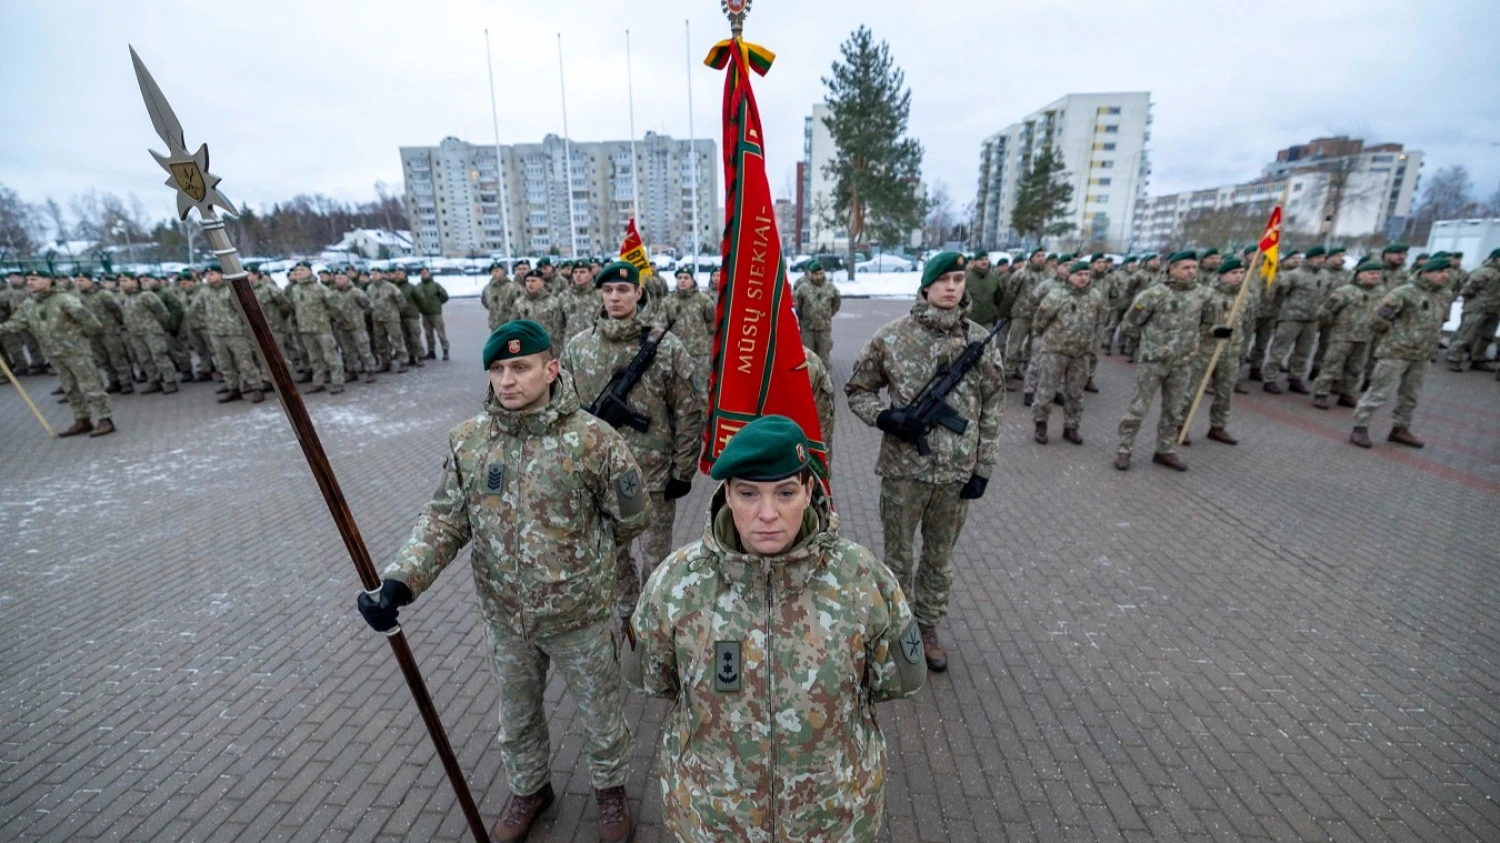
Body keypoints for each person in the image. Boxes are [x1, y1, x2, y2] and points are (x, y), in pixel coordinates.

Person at [357, 320, 647, 843]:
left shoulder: (592, 440)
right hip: (506, 618)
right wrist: (401, 581)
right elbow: (446, 520)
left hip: (579, 617)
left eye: (521, 367)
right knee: (516, 716)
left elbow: (632, 516)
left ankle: (609, 790)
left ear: (550, 369)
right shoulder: (470, 442)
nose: (508, 380)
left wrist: (586, 562)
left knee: (601, 714)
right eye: (497, 369)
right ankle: (530, 788)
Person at [623, 414, 924, 842]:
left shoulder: (863, 581)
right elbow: (651, 678)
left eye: (785, 492)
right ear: (727, 493)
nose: (768, 513)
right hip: (714, 821)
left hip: (832, 821)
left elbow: (901, 680)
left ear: (809, 490)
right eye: (748, 493)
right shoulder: (675, 585)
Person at [845, 251, 1003, 671]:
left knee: (938, 560)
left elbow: (993, 407)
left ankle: (927, 626)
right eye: (943, 279)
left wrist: (983, 467)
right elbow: (858, 389)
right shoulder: (891, 338)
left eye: (958, 279)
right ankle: (895, 629)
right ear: (926, 286)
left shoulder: (980, 341)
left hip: (956, 474)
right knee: (896, 558)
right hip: (903, 472)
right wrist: (885, 416)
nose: (952, 287)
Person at [561, 261, 703, 626]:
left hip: (653, 478)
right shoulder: (579, 348)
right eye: (607, 290)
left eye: (623, 290)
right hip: (599, 479)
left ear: (639, 293)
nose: (614, 297)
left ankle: (653, 622)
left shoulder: (666, 347)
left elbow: (688, 411)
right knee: (613, 556)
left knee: (657, 559)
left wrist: (683, 470)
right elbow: (562, 414)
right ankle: (627, 613)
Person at [1114, 251, 1202, 472]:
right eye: (1186, 267)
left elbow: (1208, 323)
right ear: (1172, 268)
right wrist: (1147, 346)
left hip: (1182, 362)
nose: (1191, 271)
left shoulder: (1201, 295)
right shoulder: (1153, 294)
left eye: (1194, 267)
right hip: (1154, 361)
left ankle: (1164, 450)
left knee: (1174, 409)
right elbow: (1130, 324)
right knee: (1138, 407)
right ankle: (1124, 449)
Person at [1350, 257, 1451, 449]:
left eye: (1447, 272)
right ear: (1426, 273)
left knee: (1410, 395)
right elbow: (1378, 320)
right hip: (1395, 352)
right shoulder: (1403, 293)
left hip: (1422, 354)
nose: (1445, 276)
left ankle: (1400, 428)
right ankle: (1360, 427)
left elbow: (1442, 319)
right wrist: (1398, 336)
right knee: (1378, 392)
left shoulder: (1444, 295)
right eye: (1441, 272)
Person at [0, 269, 115, 436]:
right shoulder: (29, 304)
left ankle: (105, 419)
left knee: (90, 386)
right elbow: (15, 323)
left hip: (75, 352)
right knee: (69, 388)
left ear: (48, 280)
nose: (30, 282)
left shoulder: (65, 299)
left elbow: (92, 323)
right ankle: (82, 419)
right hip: (53, 353)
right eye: (28, 279)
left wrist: (77, 338)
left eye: (34, 279)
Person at [1032, 260, 1105, 445]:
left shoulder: (1095, 296)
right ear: (1070, 275)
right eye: (1079, 274)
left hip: (1080, 353)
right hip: (1055, 351)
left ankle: (1071, 427)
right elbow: (1040, 320)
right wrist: (1049, 339)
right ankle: (1041, 425)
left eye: (1086, 274)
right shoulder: (1056, 295)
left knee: (1076, 393)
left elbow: (1100, 321)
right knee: (1046, 390)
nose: (1083, 278)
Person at [1187, 257, 1251, 445]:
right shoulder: (1207, 295)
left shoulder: (1243, 296)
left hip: (1230, 352)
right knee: (1192, 392)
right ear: (1222, 275)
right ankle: (1180, 425)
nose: (1238, 276)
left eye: (1241, 273)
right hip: (1205, 350)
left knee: (1225, 392)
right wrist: (1213, 331)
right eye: (1233, 273)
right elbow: (1192, 325)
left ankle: (1218, 427)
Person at [1312, 259, 1383, 409]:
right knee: (1331, 366)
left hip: (1364, 337)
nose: (1375, 276)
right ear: (1359, 275)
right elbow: (1325, 311)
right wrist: (1331, 327)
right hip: (1342, 336)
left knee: (1355, 368)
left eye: (1377, 273)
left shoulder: (1380, 293)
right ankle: (1321, 393)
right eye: (1371, 273)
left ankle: (1347, 393)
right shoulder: (1345, 291)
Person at [198, 265, 267, 403]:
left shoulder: (231, 290)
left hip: (235, 333)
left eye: (211, 273)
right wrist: (208, 323)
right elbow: (200, 309)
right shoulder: (205, 292)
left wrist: (242, 327)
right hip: (216, 333)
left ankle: (256, 387)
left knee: (245, 361)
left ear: (221, 274)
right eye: (206, 275)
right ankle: (233, 388)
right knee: (225, 363)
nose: (208, 277)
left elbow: (243, 311)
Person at [1264, 245, 1324, 394]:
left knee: (1303, 352)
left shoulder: (1324, 275)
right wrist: (1281, 312)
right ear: (1309, 259)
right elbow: (1279, 294)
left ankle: (1295, 378)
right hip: (1291, 318)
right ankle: (1269, 379)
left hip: (1311, 319)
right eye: (1318, 258)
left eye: (1323, 258)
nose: (1321, 261)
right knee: (1279, 350)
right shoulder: (1293, 275)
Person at [653, 267, 716, 393]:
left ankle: (702, 413)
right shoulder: (668, 302)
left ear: (692, 280)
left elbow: (713, 324)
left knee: (700, 390)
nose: (682, 281)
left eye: (686, 278)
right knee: (678, 390)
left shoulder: (703, 300)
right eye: (680, 278)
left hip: (699, 355)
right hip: (676, 354)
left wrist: (706, 344)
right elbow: (660, 327)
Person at [287, 261, 346, 394]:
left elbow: (337, 306)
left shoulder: (320, 288)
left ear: (309, 271)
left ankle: (338, 381)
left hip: (322, 329)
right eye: (297, 270)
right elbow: (293, 307)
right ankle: (318, 382)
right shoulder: (295, 290)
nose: (299, 272)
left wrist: (327, 317)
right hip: (305, 329)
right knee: (314, 358)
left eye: (302, 270)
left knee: (331, 356)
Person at [117, 272, 181, 394]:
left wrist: (166, 327)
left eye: (125, 280)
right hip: (135, 333)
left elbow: (162, 312)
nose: (122, 284)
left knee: (159, 356)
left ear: (134, 281)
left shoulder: (147, 295)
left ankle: (170, 381)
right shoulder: (122, 297)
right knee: (144, 358)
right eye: (120, 281)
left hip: (151, 331)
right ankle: (154, 381)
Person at [75, 274, 135, 394]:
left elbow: (116, 311)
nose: (79, 283)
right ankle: (114, 381)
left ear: (90, 281)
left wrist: (119, 325)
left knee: (117, 358)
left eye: (82, 280)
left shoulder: (103, 294)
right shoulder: (79, 297)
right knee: (103, 359)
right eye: (77, 280)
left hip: (109, 331)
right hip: (93, 333)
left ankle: (126, 382)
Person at [1446, 248, 1499, 372]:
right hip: (1477, 308)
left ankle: (1478, 359)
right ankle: (1454, 358)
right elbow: (1467, 290)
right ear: (1496, 258)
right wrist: (1473, 303)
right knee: (1467, 335)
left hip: (1494, 310)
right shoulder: (1484, 272)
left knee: (1486, 337)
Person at [330, 272, 378, 383]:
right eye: (336, 279)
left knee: (364, 350)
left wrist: (360, 316)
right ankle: (352, 371)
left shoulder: (356, 292)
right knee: (347, 351)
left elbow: (369, 306)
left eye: (341, 278)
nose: (338, 280)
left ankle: (370, 370)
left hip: (357, 327)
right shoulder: (334, 295)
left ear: (347, 279)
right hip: (342, 327)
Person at [792, 260, 841, 367]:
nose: (819, 276)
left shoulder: (830, 287)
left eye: (821, 273)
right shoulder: (803, 287)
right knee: (808, 356)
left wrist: (828, 314)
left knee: (824, 356)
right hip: (808, 327)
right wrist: (803, 315)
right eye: (816, 274)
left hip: (824, 328)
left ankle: (824, 381)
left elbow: (836, 302)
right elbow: (797, 302)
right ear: (810, 274)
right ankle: (809, 381)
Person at [512, 269, 568, 357]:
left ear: (542, 282)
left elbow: (562, 326)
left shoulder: (554, 302)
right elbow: (513, 326)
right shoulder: (519, 303)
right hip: (527, 349)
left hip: (550, 349)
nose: (530, 284)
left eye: (533, 281)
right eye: (527, 281)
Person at [367, 269, 409, 373]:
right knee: (380, 342)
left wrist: (395, 312)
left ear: (382, 275)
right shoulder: (370, 288)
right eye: (372, 274)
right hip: (377, 319)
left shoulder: (390, 286)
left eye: (376, 274)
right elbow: (368, 302)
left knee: (397, 340)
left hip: (391, 318)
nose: (374, 276)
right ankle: (385, 362)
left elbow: (402, 302)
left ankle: (403, 362)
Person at [390, 266, 426, 366]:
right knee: (405, 339)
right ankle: (410, 357)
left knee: (415, 338)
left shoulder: (412, 287)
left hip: (411, 316)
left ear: (405, 276)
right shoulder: (392, 287)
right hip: (399, 317)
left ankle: (420, 356)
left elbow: (421, 300)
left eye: (399, 274)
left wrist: (416, 310)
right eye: (396, 274)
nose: (397, 276)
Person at [557, 261, 601, 343]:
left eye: (582, 272)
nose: (578, 275)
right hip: (571, 345)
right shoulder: (563, 296)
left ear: (591, 274)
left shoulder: (599, 294)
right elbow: (559, 325)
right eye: (575, 272)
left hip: (595, 344)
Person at [413, 266, 451, 360]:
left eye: (425, 272)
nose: (424, 274)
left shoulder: (435, 285)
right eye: (422, 273)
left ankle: (445, 351)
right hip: (425, 314)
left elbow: (445, 296)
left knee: (441, 333)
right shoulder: (418, 286)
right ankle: (431, 351)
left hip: (435, 313)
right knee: (428, 334)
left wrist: (437, 303)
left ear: (429, 273)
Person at [481, 262, 520, 331]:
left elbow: (519, 304)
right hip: (495, 325)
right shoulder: (487, 289)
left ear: (503, 271)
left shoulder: (512, 287)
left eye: (497, 270)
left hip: (511, 325)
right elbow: (485, 303)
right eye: (492, 271)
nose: (495, 273)